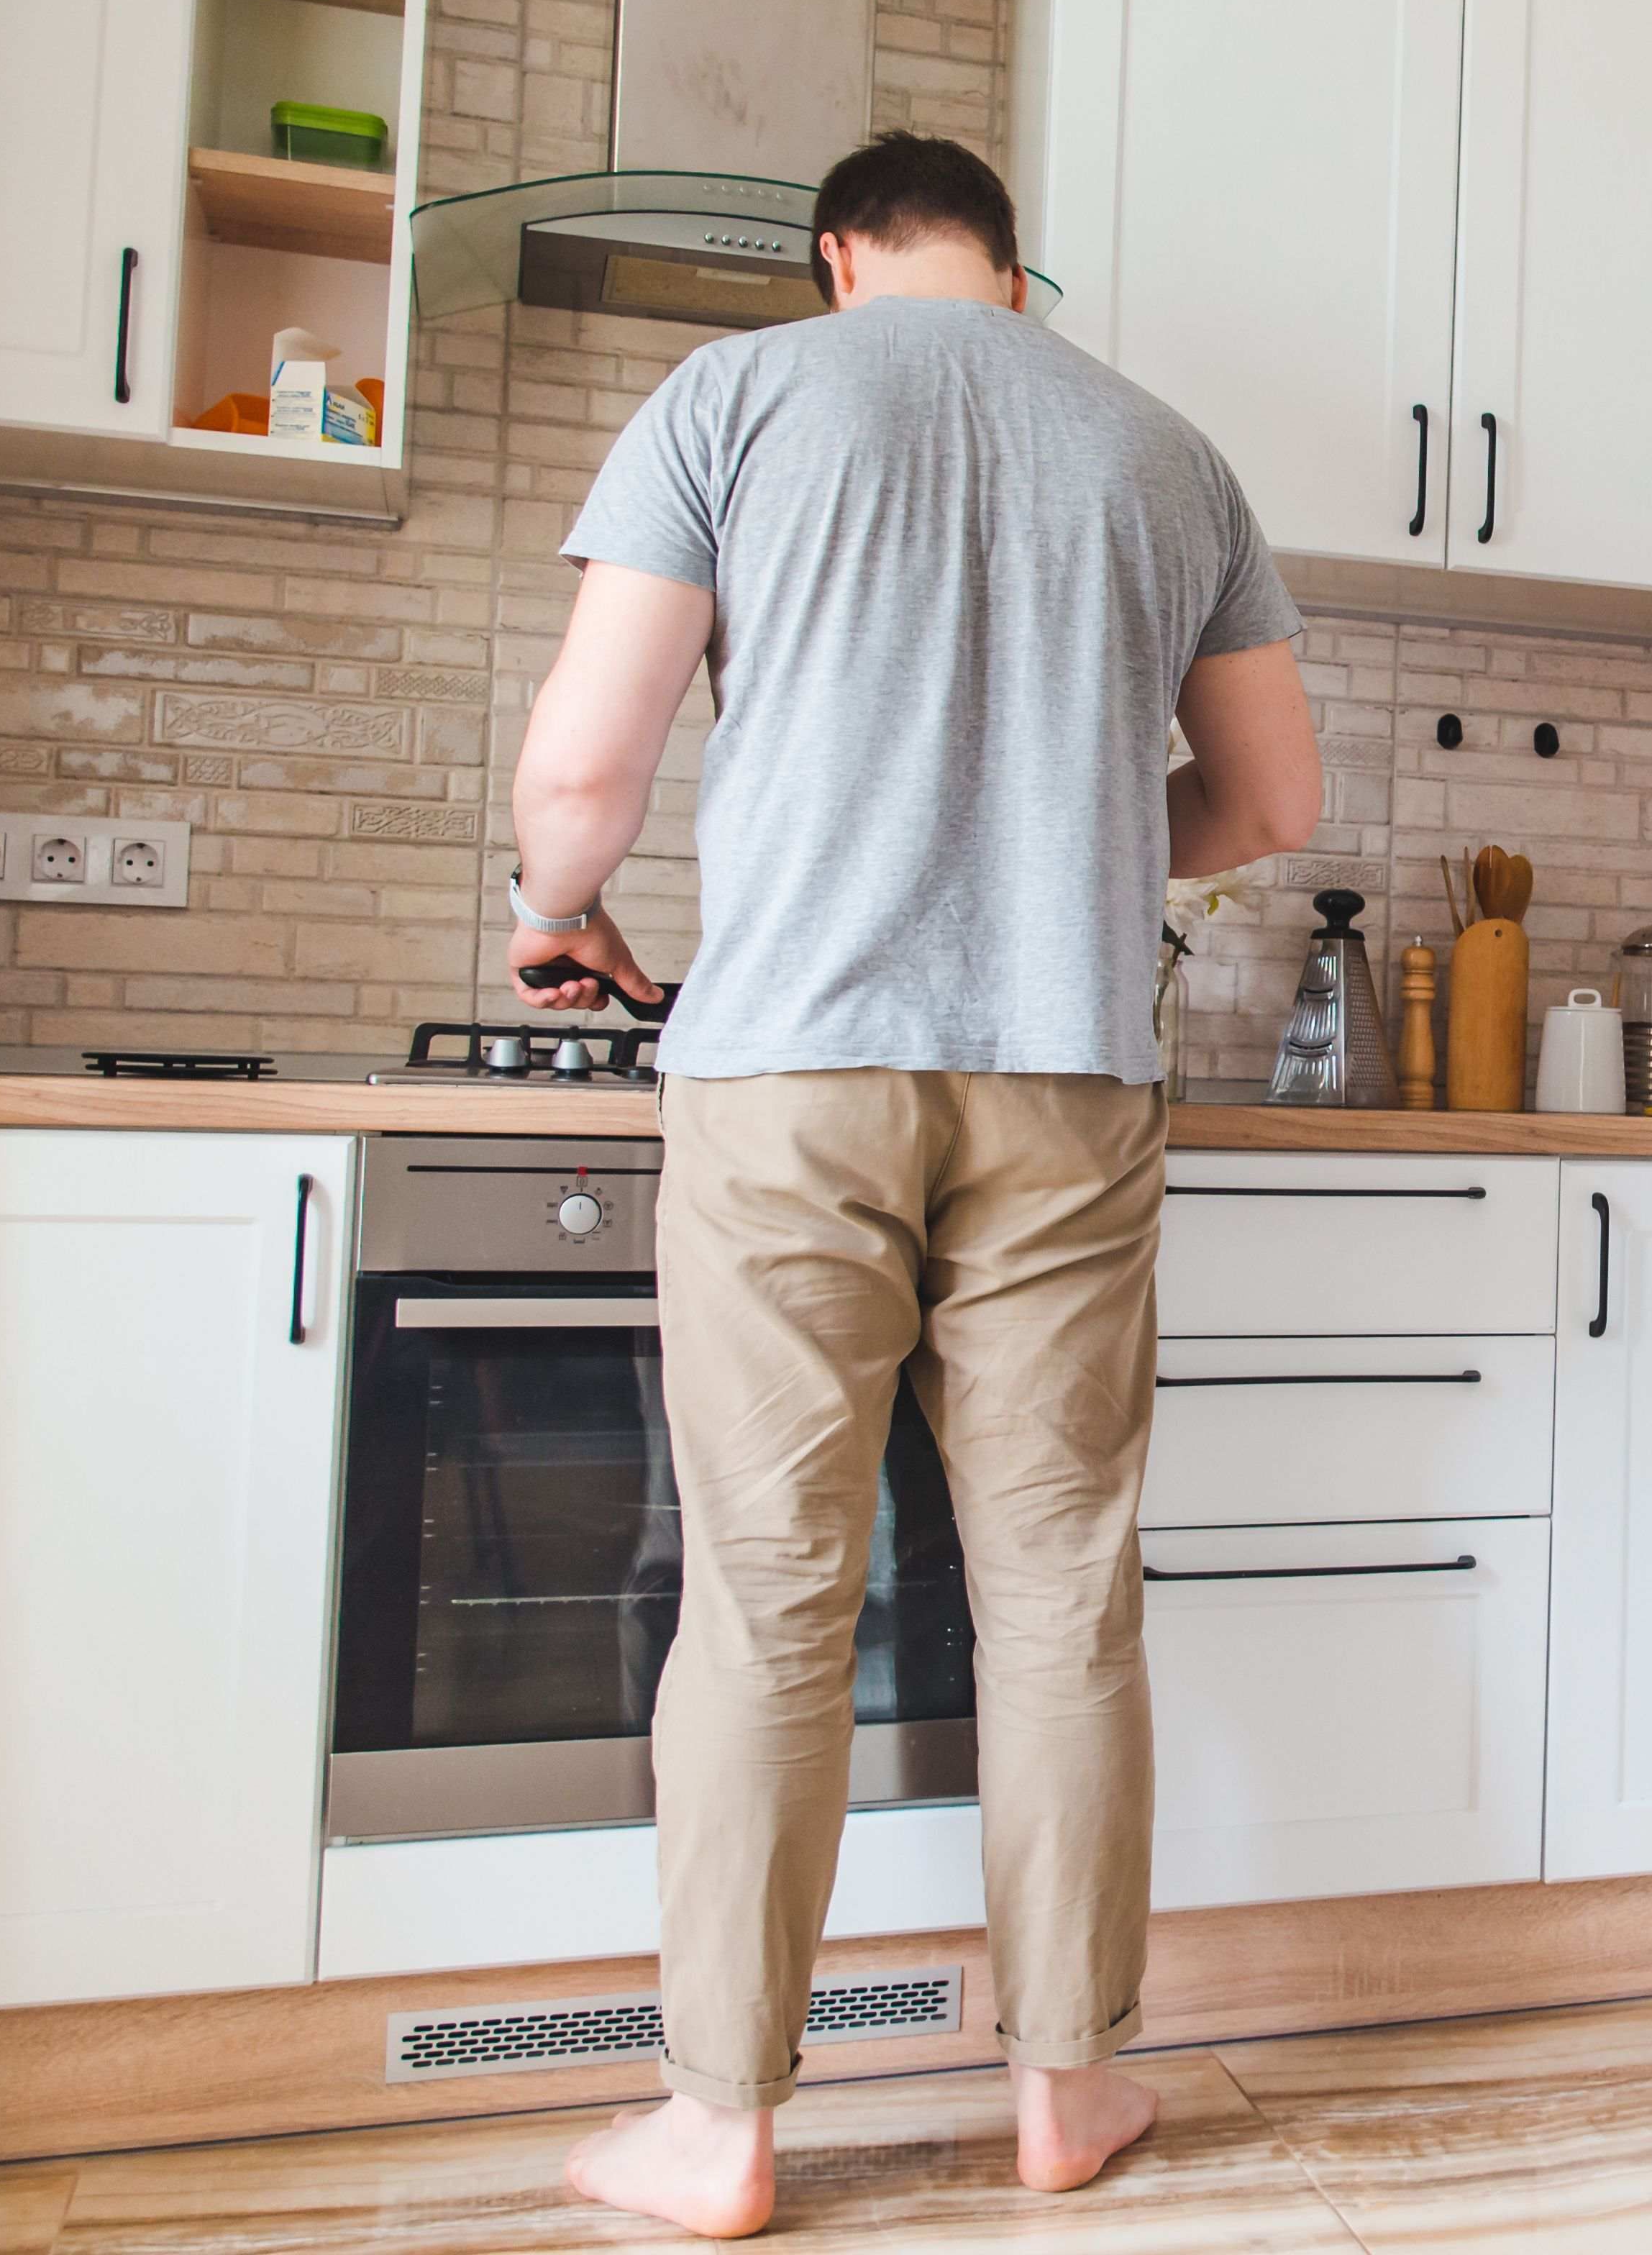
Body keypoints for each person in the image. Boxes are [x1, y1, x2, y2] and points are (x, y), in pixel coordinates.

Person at [503, 131, 1325, 2240]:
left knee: (771, 1593)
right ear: (1011, 270)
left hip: (791, 1073)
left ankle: (724, 2126)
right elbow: (1270, 799)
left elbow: (587, 770)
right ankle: (1067, 2085)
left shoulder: (739, 396)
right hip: (1068, 1076)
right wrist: (1065, 841)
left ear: (836, 256)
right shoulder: (1167, 454)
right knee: (1058, 1591)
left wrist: (555, 908)